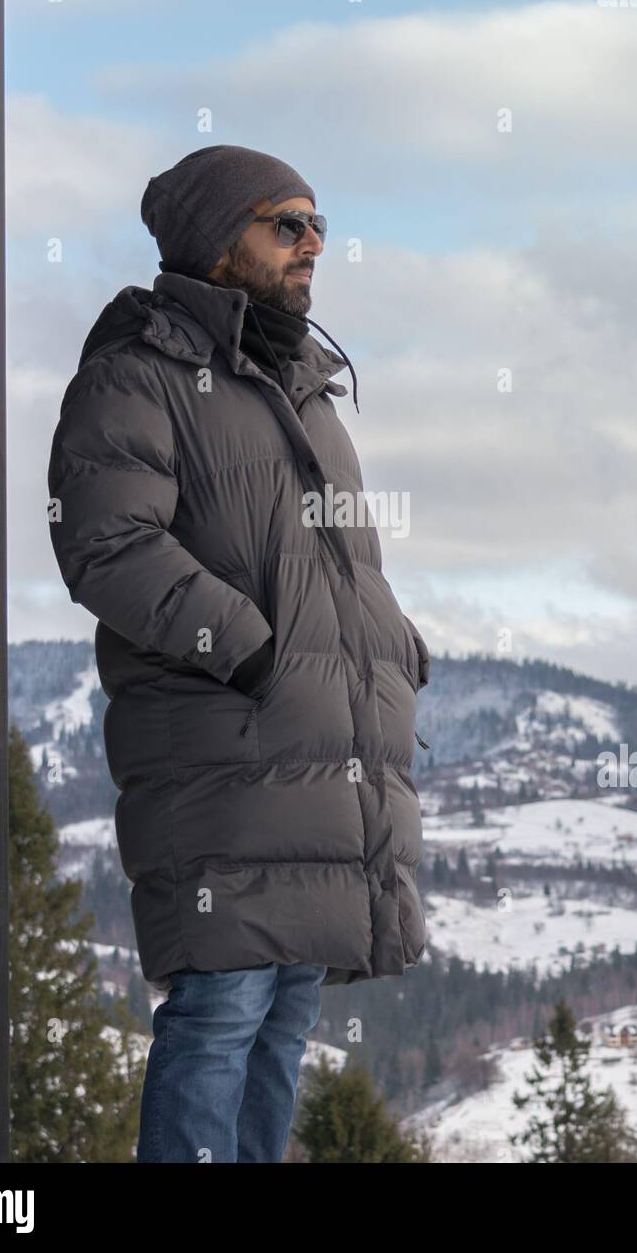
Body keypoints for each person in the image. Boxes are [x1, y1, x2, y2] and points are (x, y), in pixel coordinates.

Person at [47, 144, 430, 1163]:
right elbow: (108, 545)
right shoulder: (141, 375)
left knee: (281, 1022)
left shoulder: (303, 387)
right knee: (220, 1010)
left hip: (317, 757)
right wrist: (251, 650)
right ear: (219, 242)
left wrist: (392, 647)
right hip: (219, 751)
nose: (312, 245)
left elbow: (344, 570)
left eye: (318, 227)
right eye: (285, 223)